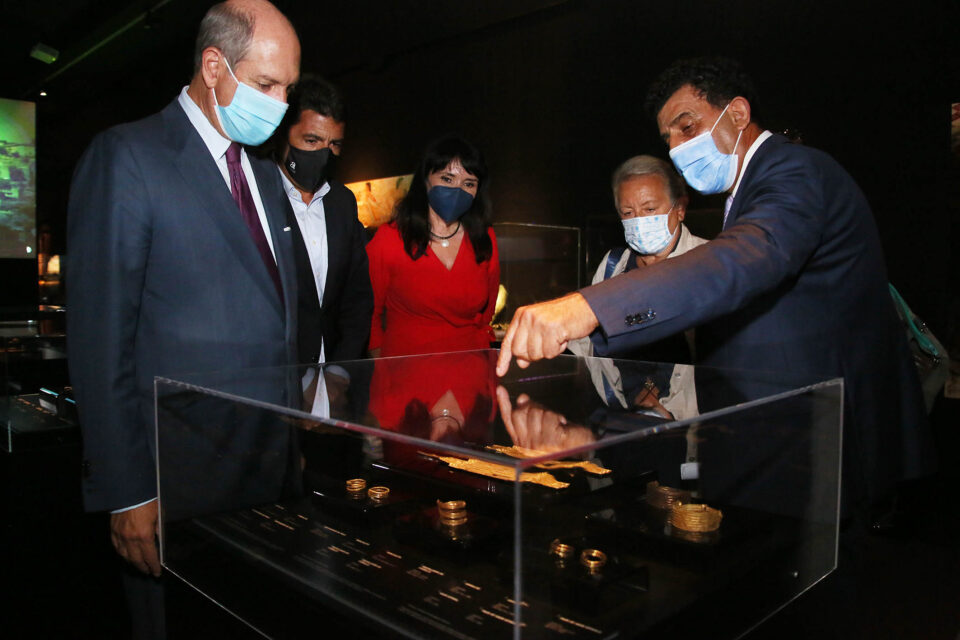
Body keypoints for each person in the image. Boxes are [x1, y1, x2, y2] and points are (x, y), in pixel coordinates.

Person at [496, 56, 933, 515]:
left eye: (687, 127)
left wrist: (586, 307)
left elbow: (739, 261)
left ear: (737, 114)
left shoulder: (796, 170)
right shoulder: (744, 193)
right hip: (771, 443)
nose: (677, 149)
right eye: (668, 138)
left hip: (815, 441)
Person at [66, 1, 299, 634]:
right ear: (214, 66)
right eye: (267, 85)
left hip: (265, 475)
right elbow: (99, 342)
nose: (281, 105)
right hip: (175, 484)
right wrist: (127, 489)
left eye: (288, 89)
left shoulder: (266, 178)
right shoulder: (128, 157)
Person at [259, 74, 373, 364]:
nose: (324, 153)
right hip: (278, 374)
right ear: (283, 133)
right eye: (312, 140)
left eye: (334, 144)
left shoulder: (342, 202)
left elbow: (357, 297)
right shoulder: (254, 196)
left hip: (334, 373)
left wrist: (341, 370)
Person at [366, 135, 500, 357]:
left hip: (471, 368)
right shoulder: (389, 239)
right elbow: (367, 313)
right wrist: (381, 366)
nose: (457, 190)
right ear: (425, 178)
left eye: (468, 184)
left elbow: (486, 314)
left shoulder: (484, 238)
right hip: (407, 370)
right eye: (447, 179)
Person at [568, 155, 707, 363]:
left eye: (650, 209)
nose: (639, 220)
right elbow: (586, 345)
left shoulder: (707, 261)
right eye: (628, 212)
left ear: (680, 208)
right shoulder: (612, 265)